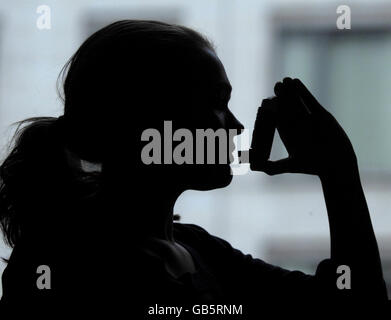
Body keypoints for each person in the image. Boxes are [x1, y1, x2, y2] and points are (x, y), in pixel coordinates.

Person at [0, 20, 388, 316]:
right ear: (145, 114)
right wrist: (339, 171)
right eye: (216, 102)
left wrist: (338, 170)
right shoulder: (68, 264)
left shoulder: (197, 249)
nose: (235, 126)